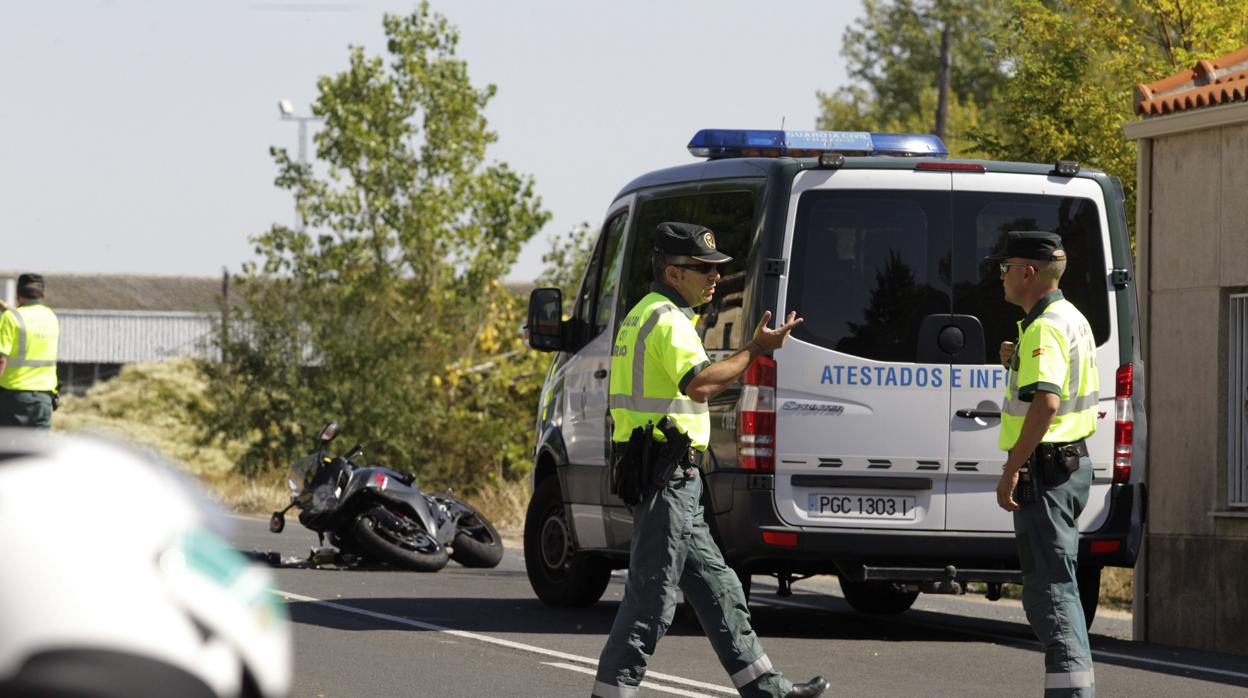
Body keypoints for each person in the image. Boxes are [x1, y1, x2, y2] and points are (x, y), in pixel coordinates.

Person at [592, 222, 827, 698]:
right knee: (651, 601)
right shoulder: (669, 320)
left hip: (672, 474)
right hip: (667, 477)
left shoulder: (643, 313)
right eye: (704, 269)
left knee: (719, 589)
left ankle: (769, 691)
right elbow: (700, 383)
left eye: (717, 269)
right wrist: (757, 349)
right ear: (674, 273)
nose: (715, 277)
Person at [990, 232, 1098, 697]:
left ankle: (1071, 695)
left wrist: (1012, 467)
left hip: (1045, 471)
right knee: (1060, 585)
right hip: (1069, 467)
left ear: (1028, 272)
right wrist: (1016, 363)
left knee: (1050, 593)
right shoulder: (1069, 317)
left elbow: (1047, 404)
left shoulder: (1045, 327)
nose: (1001, 276)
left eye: (1005, 268)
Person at [0, 273, 61, 429]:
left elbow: (1, 360)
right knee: (38, 452)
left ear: (18, 294)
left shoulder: (10, 318)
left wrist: (9, 311)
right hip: (44, 400)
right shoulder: (51, 317)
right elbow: (29, 320)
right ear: (43, 294)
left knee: (11, 451)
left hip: (14, 399)